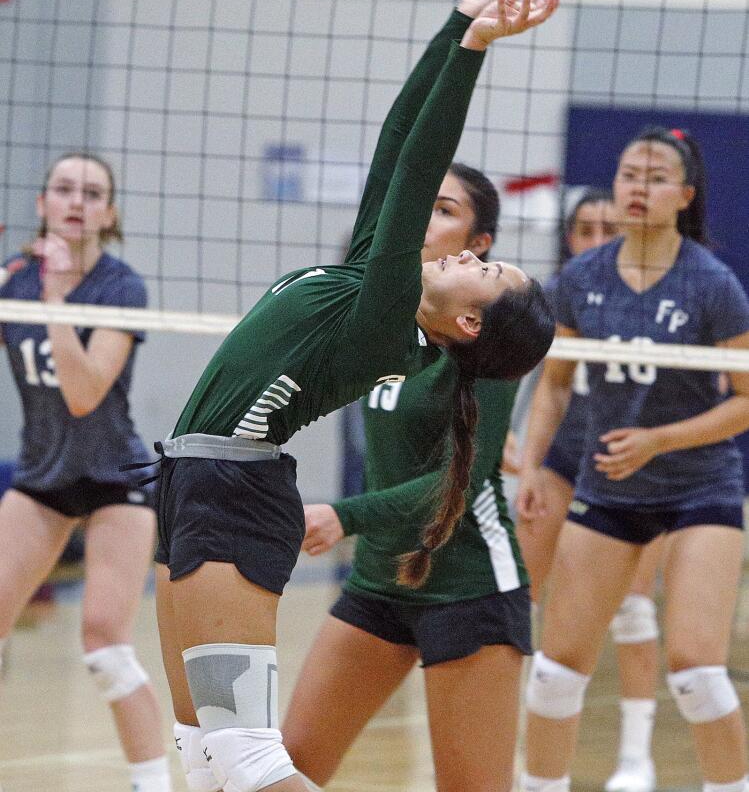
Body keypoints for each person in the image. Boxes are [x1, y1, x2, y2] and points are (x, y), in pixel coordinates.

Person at [152, 0, 559, 792]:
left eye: (487, 268)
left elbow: (416, 172)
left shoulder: (386, 327)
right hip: (193, 481)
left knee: (249, 757)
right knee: (202, 754)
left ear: (470, 323)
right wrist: (454, 24)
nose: (467, 253)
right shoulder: (369, 281)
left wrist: (475, 53)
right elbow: (393, 152)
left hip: (235, 493)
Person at [516, 127, 749, 792]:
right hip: (609, 488)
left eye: (652, 177)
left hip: (698, 485)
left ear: (683, 195)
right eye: (626, 174)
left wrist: (659, 440)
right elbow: (555, 383)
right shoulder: (580, 279)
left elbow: (744, 400)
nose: (635, 187)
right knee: (556, 675)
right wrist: (533, 466)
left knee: (698, 675)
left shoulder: (711, 283)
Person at [282, 162, 527, 792]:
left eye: (444, 210)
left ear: (479, 248)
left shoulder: (487, 341)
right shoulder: (385, 323)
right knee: (290, 767)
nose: (422, 218)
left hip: (469, 587)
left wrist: (346, 514)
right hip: (382, 580)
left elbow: (458, 484)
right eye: (422, 201)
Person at [0, 154, 172, 792]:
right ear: (43, 203)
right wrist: (26, 283)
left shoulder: (120, 288)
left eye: (92, 192)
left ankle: (151, 784)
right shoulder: (13, 281)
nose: (77, 201)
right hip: (43, 474)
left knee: (104, 643)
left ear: (110, 213)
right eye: (64, 189)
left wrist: (53, 297)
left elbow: (83, 392)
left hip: (114, 479)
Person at [509, 189, 663, 792]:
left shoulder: (654, 292)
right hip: (562, 456)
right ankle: (526, 747)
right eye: (585, 229)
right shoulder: (554, 293)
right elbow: (519, 377)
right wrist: (506, 441)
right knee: (521, 599)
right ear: (569, 236)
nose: (597, 239)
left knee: (632, 607)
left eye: (609, 228)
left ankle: (635, 757)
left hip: (632, 463)